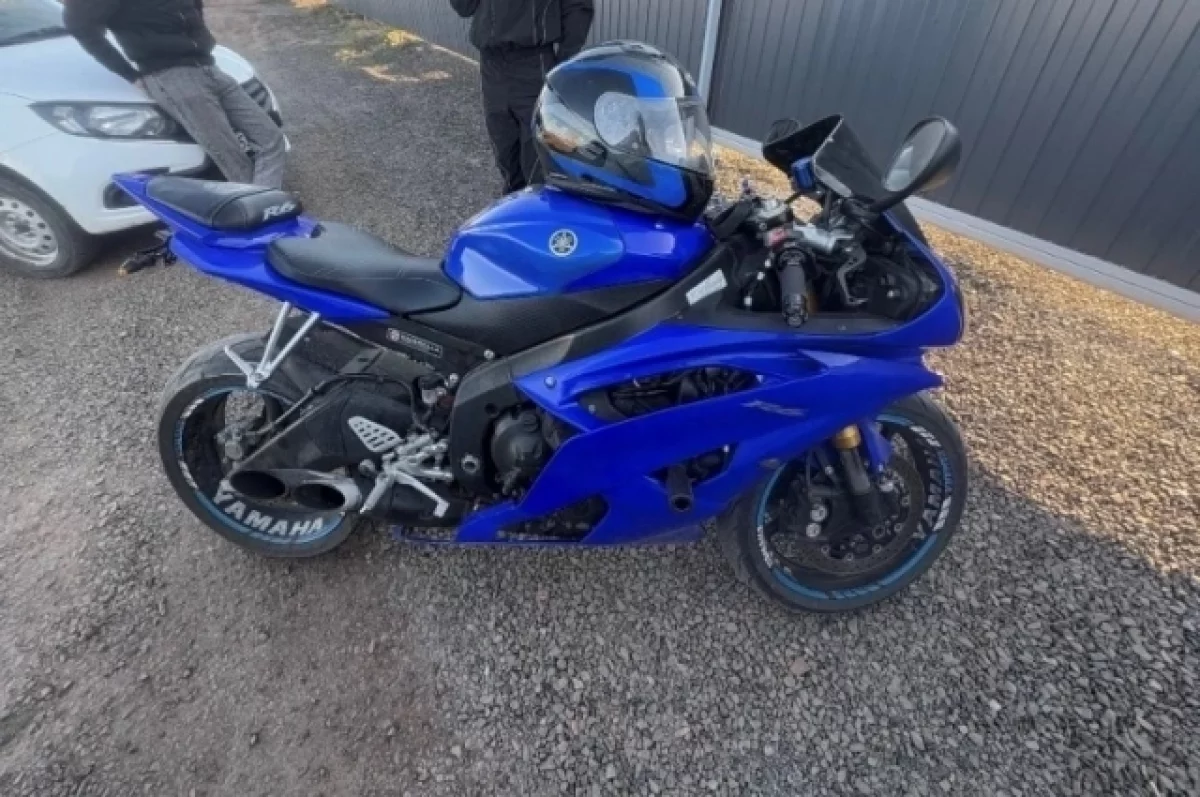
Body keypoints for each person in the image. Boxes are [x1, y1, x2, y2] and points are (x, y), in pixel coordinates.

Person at [63, 0, 286, 189]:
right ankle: (263, 215)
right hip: (171, 75)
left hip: (208, 67)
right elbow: (79, 25)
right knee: (231, 157)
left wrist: (199, 36)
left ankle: (266, 206)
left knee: (270, 138)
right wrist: (129, 74)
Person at [450, 0, 594, 194]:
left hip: (533, 63)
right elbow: (464, 8)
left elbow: (578, 7)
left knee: (537, 156)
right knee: (504, 149)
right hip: (492, 65)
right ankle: (514, 198)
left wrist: (563, 63)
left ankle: (539, 203)